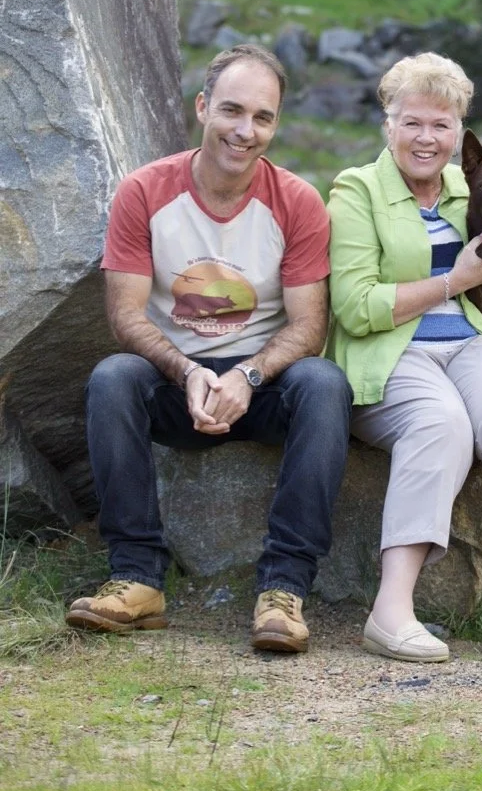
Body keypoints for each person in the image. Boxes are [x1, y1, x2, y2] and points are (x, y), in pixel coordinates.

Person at [66, 44, 352, 653]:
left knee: (325, 384)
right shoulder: (144, 192)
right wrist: (187, 370)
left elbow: (308, 328)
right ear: (202, 108)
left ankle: (284, 592)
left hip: (263, 384)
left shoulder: (298, 201)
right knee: (113, 377)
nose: (246, 131)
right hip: (176, 383)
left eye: (263, 117)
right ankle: (137, 580)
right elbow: (124, 316)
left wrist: (248, 375)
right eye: (232, 111)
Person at [327, 52, 482, 663]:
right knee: (441, 423)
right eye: (412, 122)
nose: (426, 138)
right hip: (394, 351)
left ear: (458, 131)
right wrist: (449, 283)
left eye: (441, 124)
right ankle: (392, 611)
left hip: (471, 340)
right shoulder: (356, 192)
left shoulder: (477, 184)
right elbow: (354, 306)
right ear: (389, 124)